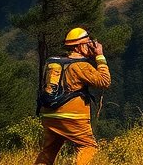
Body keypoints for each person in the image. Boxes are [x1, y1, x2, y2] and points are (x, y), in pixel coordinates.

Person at [34, 27, 112, 165]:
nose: (91, 45)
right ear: (79, 46)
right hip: (72, 116)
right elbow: (104, 81)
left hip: (49, 115)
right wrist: (99, 56)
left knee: (49, 151)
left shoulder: (53, 63)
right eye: (88, 43)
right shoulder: (81, 65)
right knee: (88, 146)